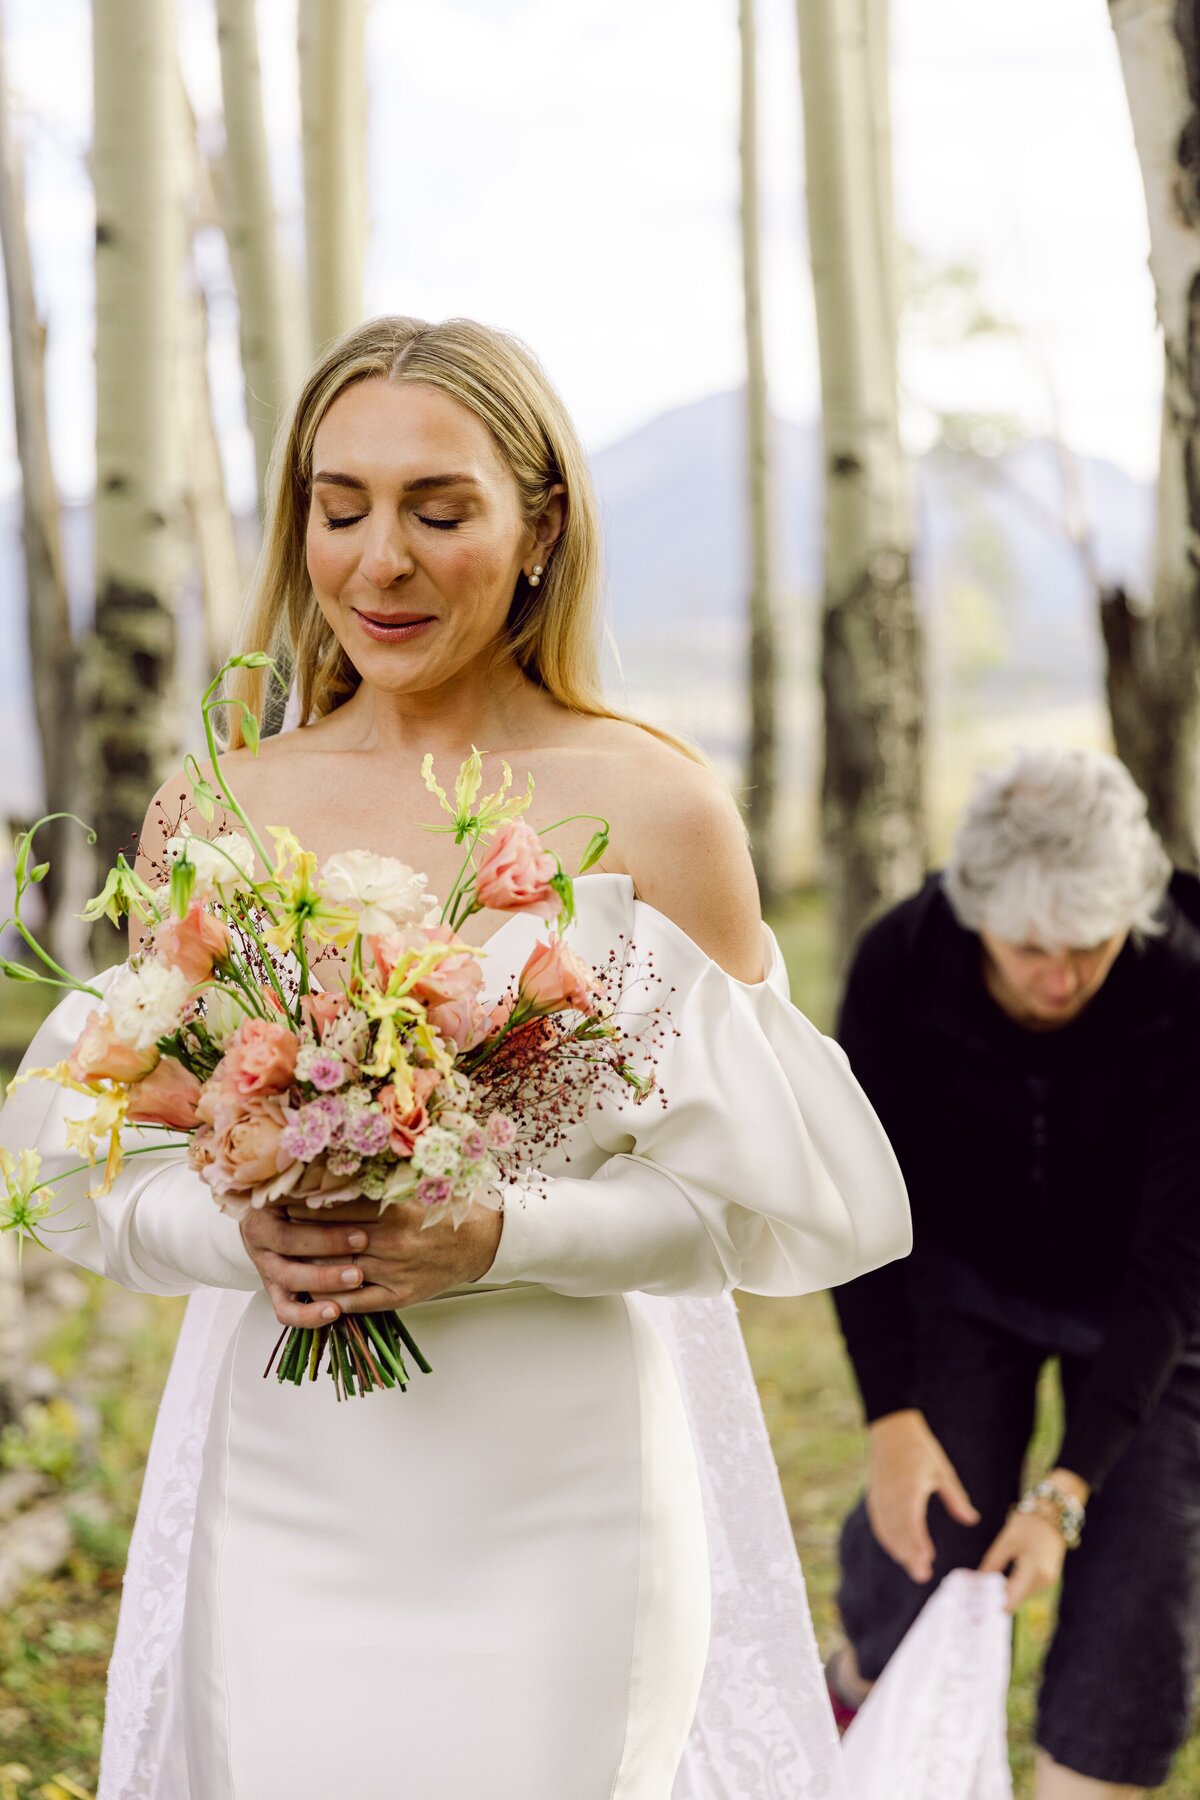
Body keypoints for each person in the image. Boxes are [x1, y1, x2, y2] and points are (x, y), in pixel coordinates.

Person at [0, 315, 912, 1800]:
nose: (380, 561)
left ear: (541, 521)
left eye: (440, 509)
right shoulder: (221, 807)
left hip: (566, 1508)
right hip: (286, 1487)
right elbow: (115, 1175)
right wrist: (252, 1239)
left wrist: (493, 1235)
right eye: (338, 505)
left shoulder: (658, 810)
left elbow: (741, 1216)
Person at [827, 747, 1200, 1799]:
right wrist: (890, 1418)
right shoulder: (900, 961)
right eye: (1030, 946)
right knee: (924, 1549)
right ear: (972, 908)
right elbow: (861, 1211)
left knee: (1135, 1599)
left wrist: (1065, 1491)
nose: (1061, 976)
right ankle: (852, 1696)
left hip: (1149, 1310)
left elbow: (1175, 1271)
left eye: (1091, 945)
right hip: (966, 1284)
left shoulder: (1189, 971)